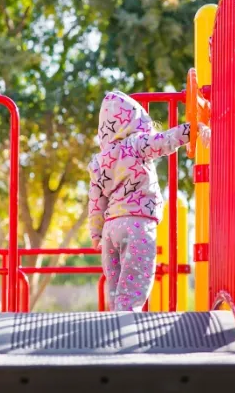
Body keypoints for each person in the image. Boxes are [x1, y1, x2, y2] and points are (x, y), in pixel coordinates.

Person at [88, 90, 210, 311]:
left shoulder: (99, 161)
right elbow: (164, 141)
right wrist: (192, 129)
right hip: (137, 223)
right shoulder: (135, 144)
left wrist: (96, 233)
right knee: (135, 283)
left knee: (115, 289)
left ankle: (113, 326)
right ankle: (126, 327)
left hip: (110, 228)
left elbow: (95, 201)